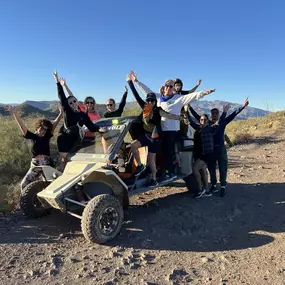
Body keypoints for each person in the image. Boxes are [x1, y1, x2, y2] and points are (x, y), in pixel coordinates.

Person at [129, 71, 216, 180]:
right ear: (164, 87)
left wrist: (204, 92)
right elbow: (147, 92)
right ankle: (155, 170)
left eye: (171, 86)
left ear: (173, 88)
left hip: (171, 130)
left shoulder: (178, 99)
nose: (168, 87)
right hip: (160, 129)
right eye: (167, 85)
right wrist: (137, 82)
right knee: (156, 151)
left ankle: (169, 172)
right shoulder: (159, 98)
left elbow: (192, 96)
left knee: (167, 151)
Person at [126, 73, 186, 187]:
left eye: (153, 101)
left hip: (155, 138)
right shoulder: (144, 108)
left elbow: (168, 115)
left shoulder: (158, 110)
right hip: (146, 136)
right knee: (133, 146)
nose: (150, 102)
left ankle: (153, 178)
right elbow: (136, 95)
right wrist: (130, 82)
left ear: (155, 102)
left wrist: (179, 117)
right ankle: (139, 166)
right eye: (148, 100)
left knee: (151, 158)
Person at [189, 97, 249, 197]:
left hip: (220, 148)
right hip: (211, 150)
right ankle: (213, 184)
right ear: (211, 115)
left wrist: (242, 107)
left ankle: (223, 186)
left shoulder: (222, 122)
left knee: (222, 168)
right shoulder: (207, 124)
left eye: (216, 113)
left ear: (218, 114)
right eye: (213, 113)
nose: (214, 114)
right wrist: (189, 107)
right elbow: (196, 117)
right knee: (211, 168)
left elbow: (233, 115)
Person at [4, 105, 62, 192]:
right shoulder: (32, 136)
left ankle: (47, 204)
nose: (43, 131)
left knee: (50, 184)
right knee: (24, 184)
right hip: (35, 165)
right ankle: (25, 202)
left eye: (45, 129)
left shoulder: (47, 136)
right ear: (37, 127)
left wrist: (61, 113)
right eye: (41, 128)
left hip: (47, 164)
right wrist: (15, 114)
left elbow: (55, 123)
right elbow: (22, 126)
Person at [52, 71, 101, 170]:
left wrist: (101, 129)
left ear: (77, 102)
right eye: (70, 102)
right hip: (65, 140)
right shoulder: (67, 112)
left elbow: (91, 127)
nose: (73, 103)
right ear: (68, 105)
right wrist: (57, 82)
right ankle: (62, 178)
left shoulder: (83, 115)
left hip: (76, 141)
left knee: (74, 161)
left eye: (74, 101)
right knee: (64, 160)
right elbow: (61, 96)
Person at [187, 105, 229, 198]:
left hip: (206, 154)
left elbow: (220, 121)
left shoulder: (211, 128)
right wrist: (187, 109)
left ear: (207, 121)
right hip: (199, 153)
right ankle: (206, 190)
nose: (203, 121)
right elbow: (190, 119)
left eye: (205, 120)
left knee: (195, 169)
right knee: (203, 171)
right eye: (201, 120)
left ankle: (200, 189)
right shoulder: (198, 128)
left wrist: (224, 112)